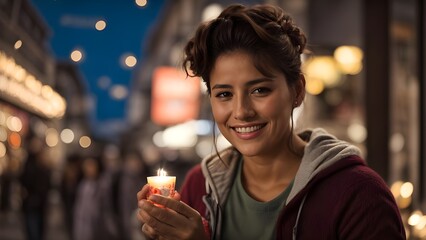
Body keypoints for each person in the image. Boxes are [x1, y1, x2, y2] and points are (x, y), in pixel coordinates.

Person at [137, 3, 406, 240]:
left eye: (259, 90)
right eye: (224, 94)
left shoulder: (358, 195)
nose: (241, 111)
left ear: (297, 90)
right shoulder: (200, 186)